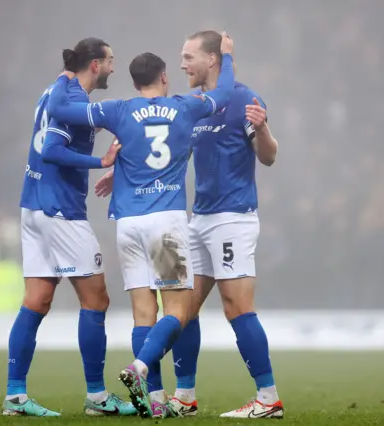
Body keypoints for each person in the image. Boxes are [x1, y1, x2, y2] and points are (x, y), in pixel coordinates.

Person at [46, 32, 235, 418]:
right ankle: (140, 367)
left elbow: (62, 111)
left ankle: (155, 399)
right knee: (180, 309)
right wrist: (226, 57)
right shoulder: (185, 107)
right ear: (164, 77)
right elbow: (225, 95)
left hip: (127, 223)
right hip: (164, 222)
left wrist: (65, 76)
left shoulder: (116, 110)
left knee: (142, 311)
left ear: (133, 83)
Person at [4, 37, 135, 417]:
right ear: (94, 64)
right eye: (110, 61)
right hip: (60, 209)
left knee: (37, 300)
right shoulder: (74, 101)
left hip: (33, 206)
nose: (113, 67)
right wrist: (103, 162)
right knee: (96, 299)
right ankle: (97, 397)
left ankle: (15, 396)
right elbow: (51, 151)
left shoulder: (54, 90)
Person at [166, 30, 284, 419]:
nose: (182, 64)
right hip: (197, 220)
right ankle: (184, 396)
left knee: (236, 307)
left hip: (233, 218)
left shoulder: (244, 99)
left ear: (212, 59)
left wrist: (264, 129)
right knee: (183, 309)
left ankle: (268, 398)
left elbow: (268, 157)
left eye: (188, 57)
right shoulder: (197, 105)